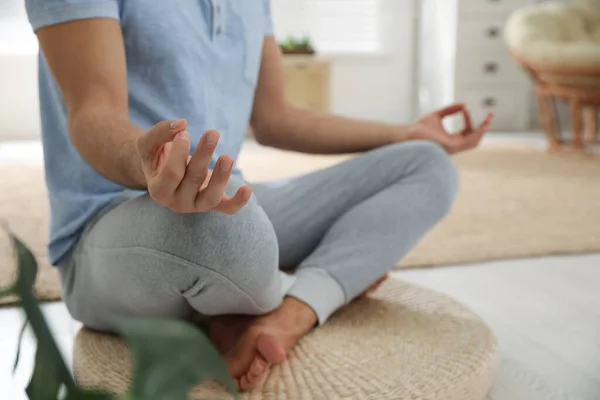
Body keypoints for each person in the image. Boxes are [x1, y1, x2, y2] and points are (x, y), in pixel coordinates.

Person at [26, 0, 493, 391]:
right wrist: (143, 162)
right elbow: (92, 112)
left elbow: (275, 118)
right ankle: (318, 281)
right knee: (228, 229)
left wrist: (407, 132)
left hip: (223, 204)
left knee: (426, 164)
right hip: (109, 234)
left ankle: (291, 310)